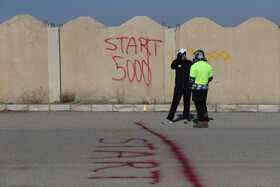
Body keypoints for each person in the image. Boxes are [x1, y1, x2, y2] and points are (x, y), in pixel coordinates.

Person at [162, 48, 193, 124]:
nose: (183, 55)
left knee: (187, 103)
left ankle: (185, 117)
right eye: (182, 54)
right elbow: (172, 66)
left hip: (187, 86)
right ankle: (170, 118)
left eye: (184, 54)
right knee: (175, 103)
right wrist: (178, 58)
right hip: (178, 87)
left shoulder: (189, 63)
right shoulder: (177, 62)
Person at [189, 50, 213, 128]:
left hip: (197, 88)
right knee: (203, 104)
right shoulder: (208, 65)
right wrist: (204, 82)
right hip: (205, 88)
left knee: (198, 105)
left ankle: (201, 121)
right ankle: (205, 120)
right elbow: (210, 78)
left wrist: (190, 86)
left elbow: (191, 79)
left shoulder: (194, 66)